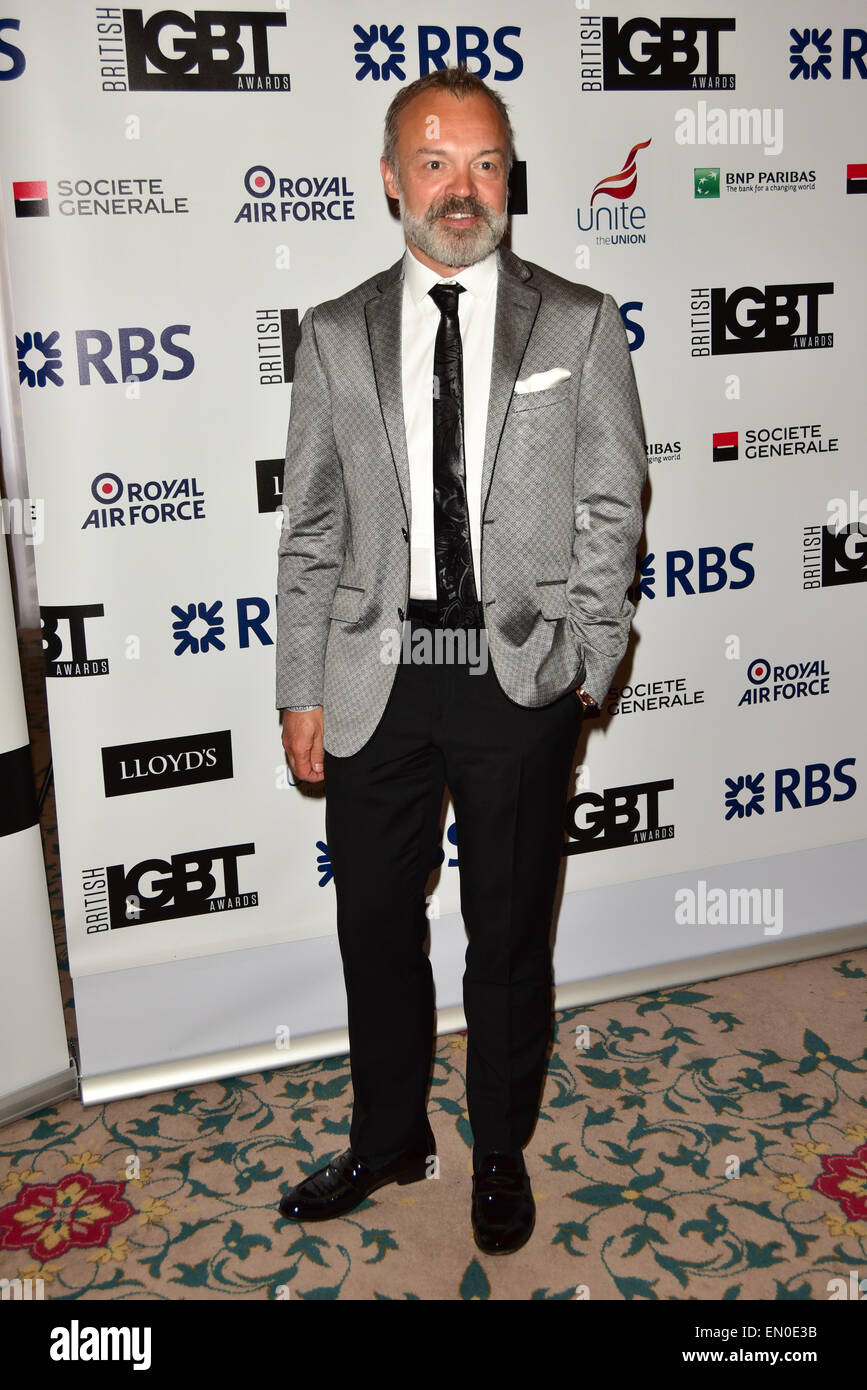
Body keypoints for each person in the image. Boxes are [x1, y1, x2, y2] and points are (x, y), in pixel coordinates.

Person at [275, 65, 647, 1255]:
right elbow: (315, 529)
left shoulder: (578, 321)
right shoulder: (333, 334)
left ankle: (496, 1145)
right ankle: (389, 1133)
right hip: (376, 669)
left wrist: (591, 650)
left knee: (507, 927)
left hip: (516, 670)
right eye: (434, 162)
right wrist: (299, 686)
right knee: (376, 924)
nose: (461, 187)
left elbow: (613, 499)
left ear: (509, 178)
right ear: (391, 178)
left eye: (485, 163)